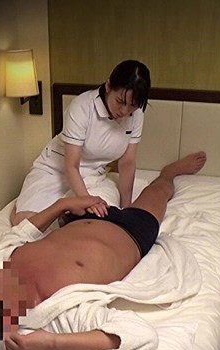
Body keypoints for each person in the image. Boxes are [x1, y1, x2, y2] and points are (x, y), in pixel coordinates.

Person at [0, 152, 207, 350]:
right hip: (132, 233)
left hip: (84, 216)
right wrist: (51, 343)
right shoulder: (55, 309)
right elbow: (141, 336)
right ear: (0, 315)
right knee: (158, 192)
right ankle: (169, 172)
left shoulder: (3, 262)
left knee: (94, 183)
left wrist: (64, 205)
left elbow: (22, 231)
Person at [11, 60, 152, 226]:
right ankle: (36, 208)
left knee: (95, 225)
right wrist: (87, 201)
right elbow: (71, 166)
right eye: (120, 102)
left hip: (94, 177)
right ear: (108, 86)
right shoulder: (83, 107)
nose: (124, 111)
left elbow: (127, 162)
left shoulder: (136, 114)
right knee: (26, 224)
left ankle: (66, 212)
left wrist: (126, 208)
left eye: (132, 105)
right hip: (55, 171)